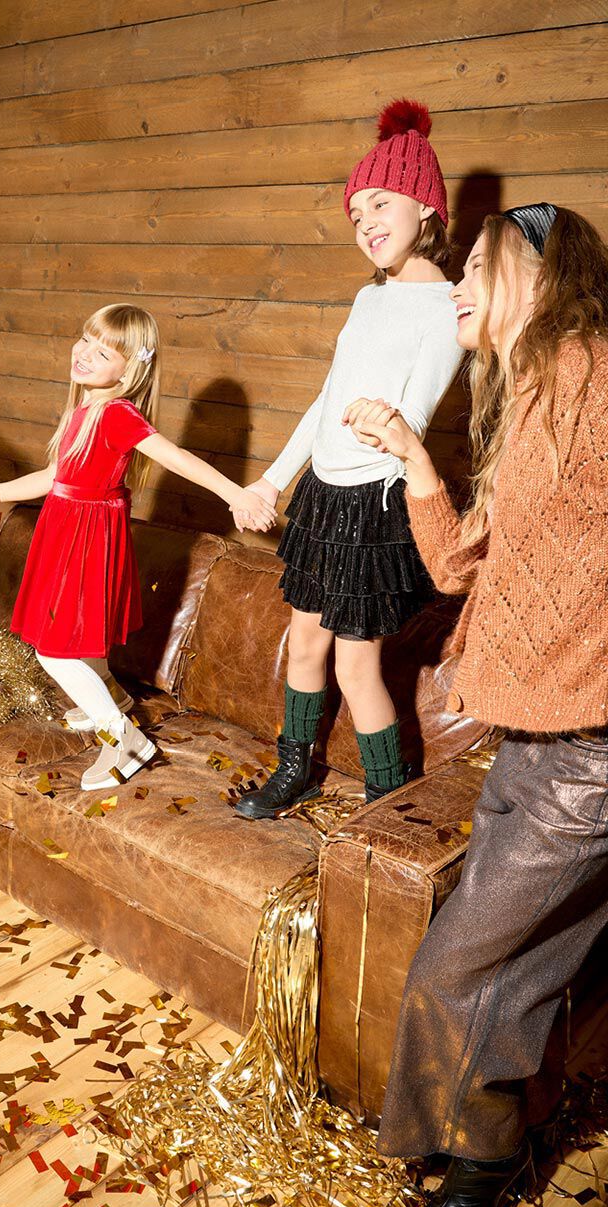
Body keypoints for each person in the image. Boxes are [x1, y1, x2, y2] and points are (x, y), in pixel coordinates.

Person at [350, 204, 608, 1207]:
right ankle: (510, 1129)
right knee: (522, 971)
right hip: (529, 738)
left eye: (478, 265)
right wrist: (415, 455)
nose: (456, 283)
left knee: (453, 968)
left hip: (590, 754)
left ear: (541, 274)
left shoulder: (593, 375)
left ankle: (483, 1154)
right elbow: (460, 565)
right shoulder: (527, 395)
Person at [231, 100, 463, 819]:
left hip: (375, 503)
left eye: (380, 203)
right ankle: (294, 769)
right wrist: (274, 479)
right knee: (304, 643)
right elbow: (326, 399)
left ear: (426, 207)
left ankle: (387, 802)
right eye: (356, 212)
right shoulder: (368, 299)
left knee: (355, 664)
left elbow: (414, 418)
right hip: (322, 496)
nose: (365, 223)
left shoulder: (447, 308)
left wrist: (384, 424)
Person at [0, 303, 276, 789]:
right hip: (64, 533)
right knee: (75, 634)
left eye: (103, 353)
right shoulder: (85, 408)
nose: (85, 354)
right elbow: (54, 477)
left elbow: (177, 458)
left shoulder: (117, 414)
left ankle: (123, 739)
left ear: (130, 371)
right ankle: (110, 695)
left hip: (86, 541)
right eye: (86, 340)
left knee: (54, 652)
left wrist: (237, 495)